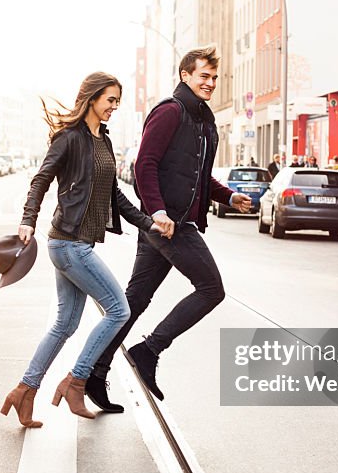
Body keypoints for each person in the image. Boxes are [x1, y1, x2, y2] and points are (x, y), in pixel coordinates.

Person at [86, 45, 252, 411]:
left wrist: (228, 197)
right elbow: (146, 164)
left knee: (133, 302)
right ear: (185, 75)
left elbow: (197, 175)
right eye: (203, 76)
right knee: (211, 289)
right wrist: (158, 212)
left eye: (213, 77)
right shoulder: (170, 112)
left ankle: (92, 373)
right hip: (168, 223)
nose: (209, 83)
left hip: (166, 223)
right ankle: (149, 349)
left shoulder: (204, 120)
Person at [0, 72, 169, 428]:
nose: (113, 108)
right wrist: (28, 219)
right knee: (119, 310)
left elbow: (116, 197)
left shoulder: (103, 141)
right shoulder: (69, 138)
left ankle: (24, 391)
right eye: (110, 100)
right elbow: (41, 179)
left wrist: (149, 222)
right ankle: (77, 380)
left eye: (117, 102)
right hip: (68, 243)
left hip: (78, 243)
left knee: (64, 324)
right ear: (91, 98)